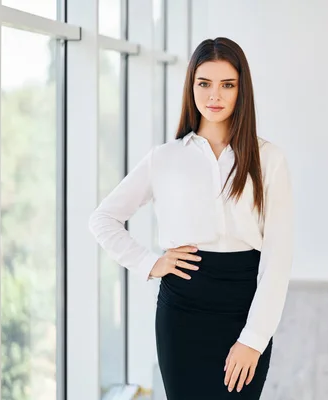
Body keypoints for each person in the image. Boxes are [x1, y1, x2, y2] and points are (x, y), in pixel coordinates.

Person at [88, 37, 294, 399]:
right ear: (191, 86)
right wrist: (151, 263)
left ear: (241, 90)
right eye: (204, 83)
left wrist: (254, 338)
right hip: (181, 314)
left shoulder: (268, 159)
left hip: (245, 307)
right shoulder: (165, 157)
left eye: (227, 85)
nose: (215, 95)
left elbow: (278, 259)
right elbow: (103, 219)